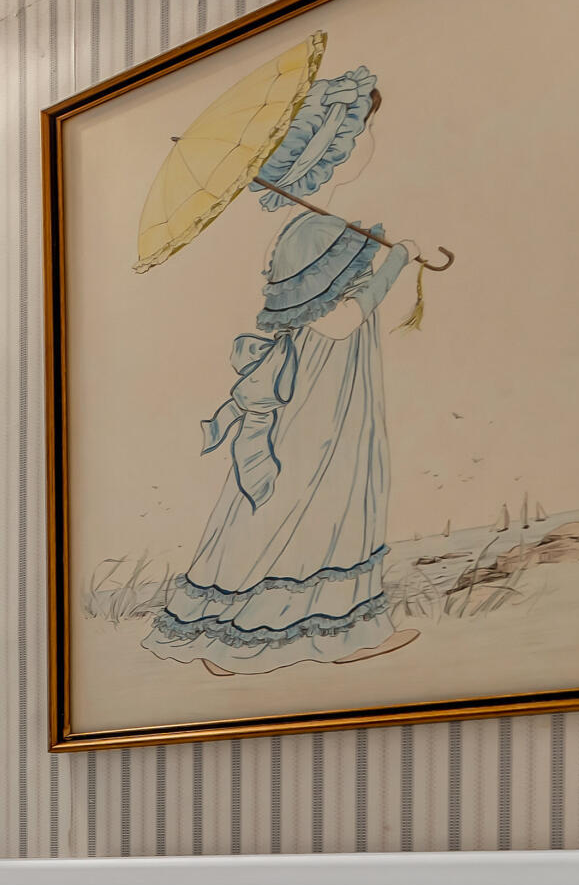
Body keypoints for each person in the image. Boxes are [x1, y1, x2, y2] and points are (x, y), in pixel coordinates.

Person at [146, 70, 423, 675]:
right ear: (331, 150)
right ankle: (278, 633)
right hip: (321, 397)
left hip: (324, 390)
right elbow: (341, 321)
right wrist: (392, 268)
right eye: (360, 132)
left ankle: (240, 632)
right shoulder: (315, 232)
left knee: (306, 497)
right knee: (316, 493)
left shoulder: (321, 227)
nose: (368, 142)